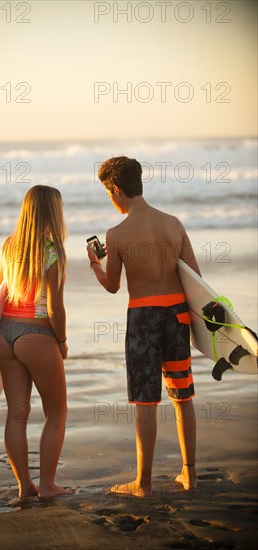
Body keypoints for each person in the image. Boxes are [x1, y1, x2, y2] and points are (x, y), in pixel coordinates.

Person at [87, 156, 201, 497]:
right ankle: (190, 475)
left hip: (143, 321)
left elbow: (112, 285)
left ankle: (144, 484)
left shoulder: (117, 234)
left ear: (116, 189)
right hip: (177, 317)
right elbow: (195, 278)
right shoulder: (174, 224)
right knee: (183, 396)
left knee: (146, 402)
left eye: (109, 194)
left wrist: (96, 263)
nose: (111, 200)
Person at [0, 185, 68, 499]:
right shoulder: (52, 251)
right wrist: (62, 341)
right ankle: (48, 486)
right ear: (53, 212)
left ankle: (25, 487)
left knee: (16, 414)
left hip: (4, 334)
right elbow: (54, 307)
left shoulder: (9, 246)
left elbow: (1, 293)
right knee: (57, 412)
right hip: (36, 336)